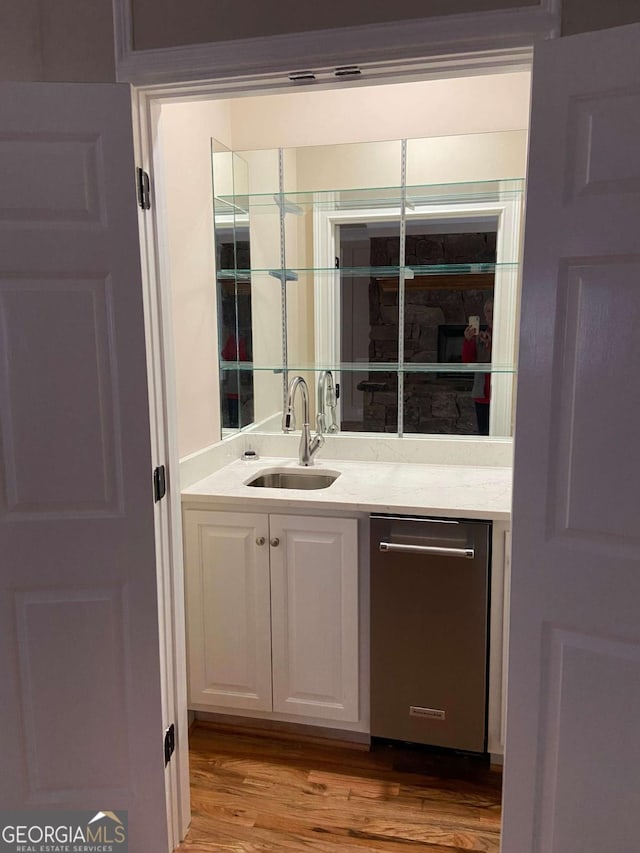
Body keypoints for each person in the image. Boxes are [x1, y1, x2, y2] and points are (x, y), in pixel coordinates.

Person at [462, 298, 493, 436]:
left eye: (494, 310)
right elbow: (468, 362)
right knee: (484, 433)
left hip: (502, 394)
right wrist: (469, 340)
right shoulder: (480, 336)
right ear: (484, 315)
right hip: (483, 393)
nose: (491, 315)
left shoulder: (510, 335)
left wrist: (490, 344)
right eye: (488, 311)